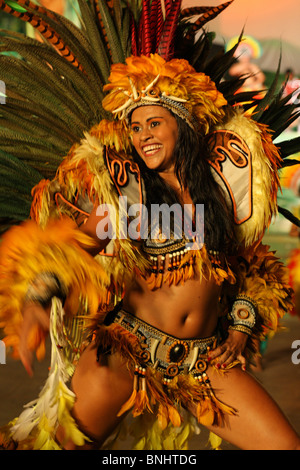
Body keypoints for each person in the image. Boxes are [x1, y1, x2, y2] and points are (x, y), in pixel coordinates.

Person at [0, 1, 300, 452]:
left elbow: (252, 268)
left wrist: (240, 323)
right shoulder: (124, 191)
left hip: (203, 362)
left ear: (182, 125)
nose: (144, 136)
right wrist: (42, 296)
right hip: (126, 356)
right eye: (136, 127)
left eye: (154, 123)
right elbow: (70, 247)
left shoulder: (221, 188)